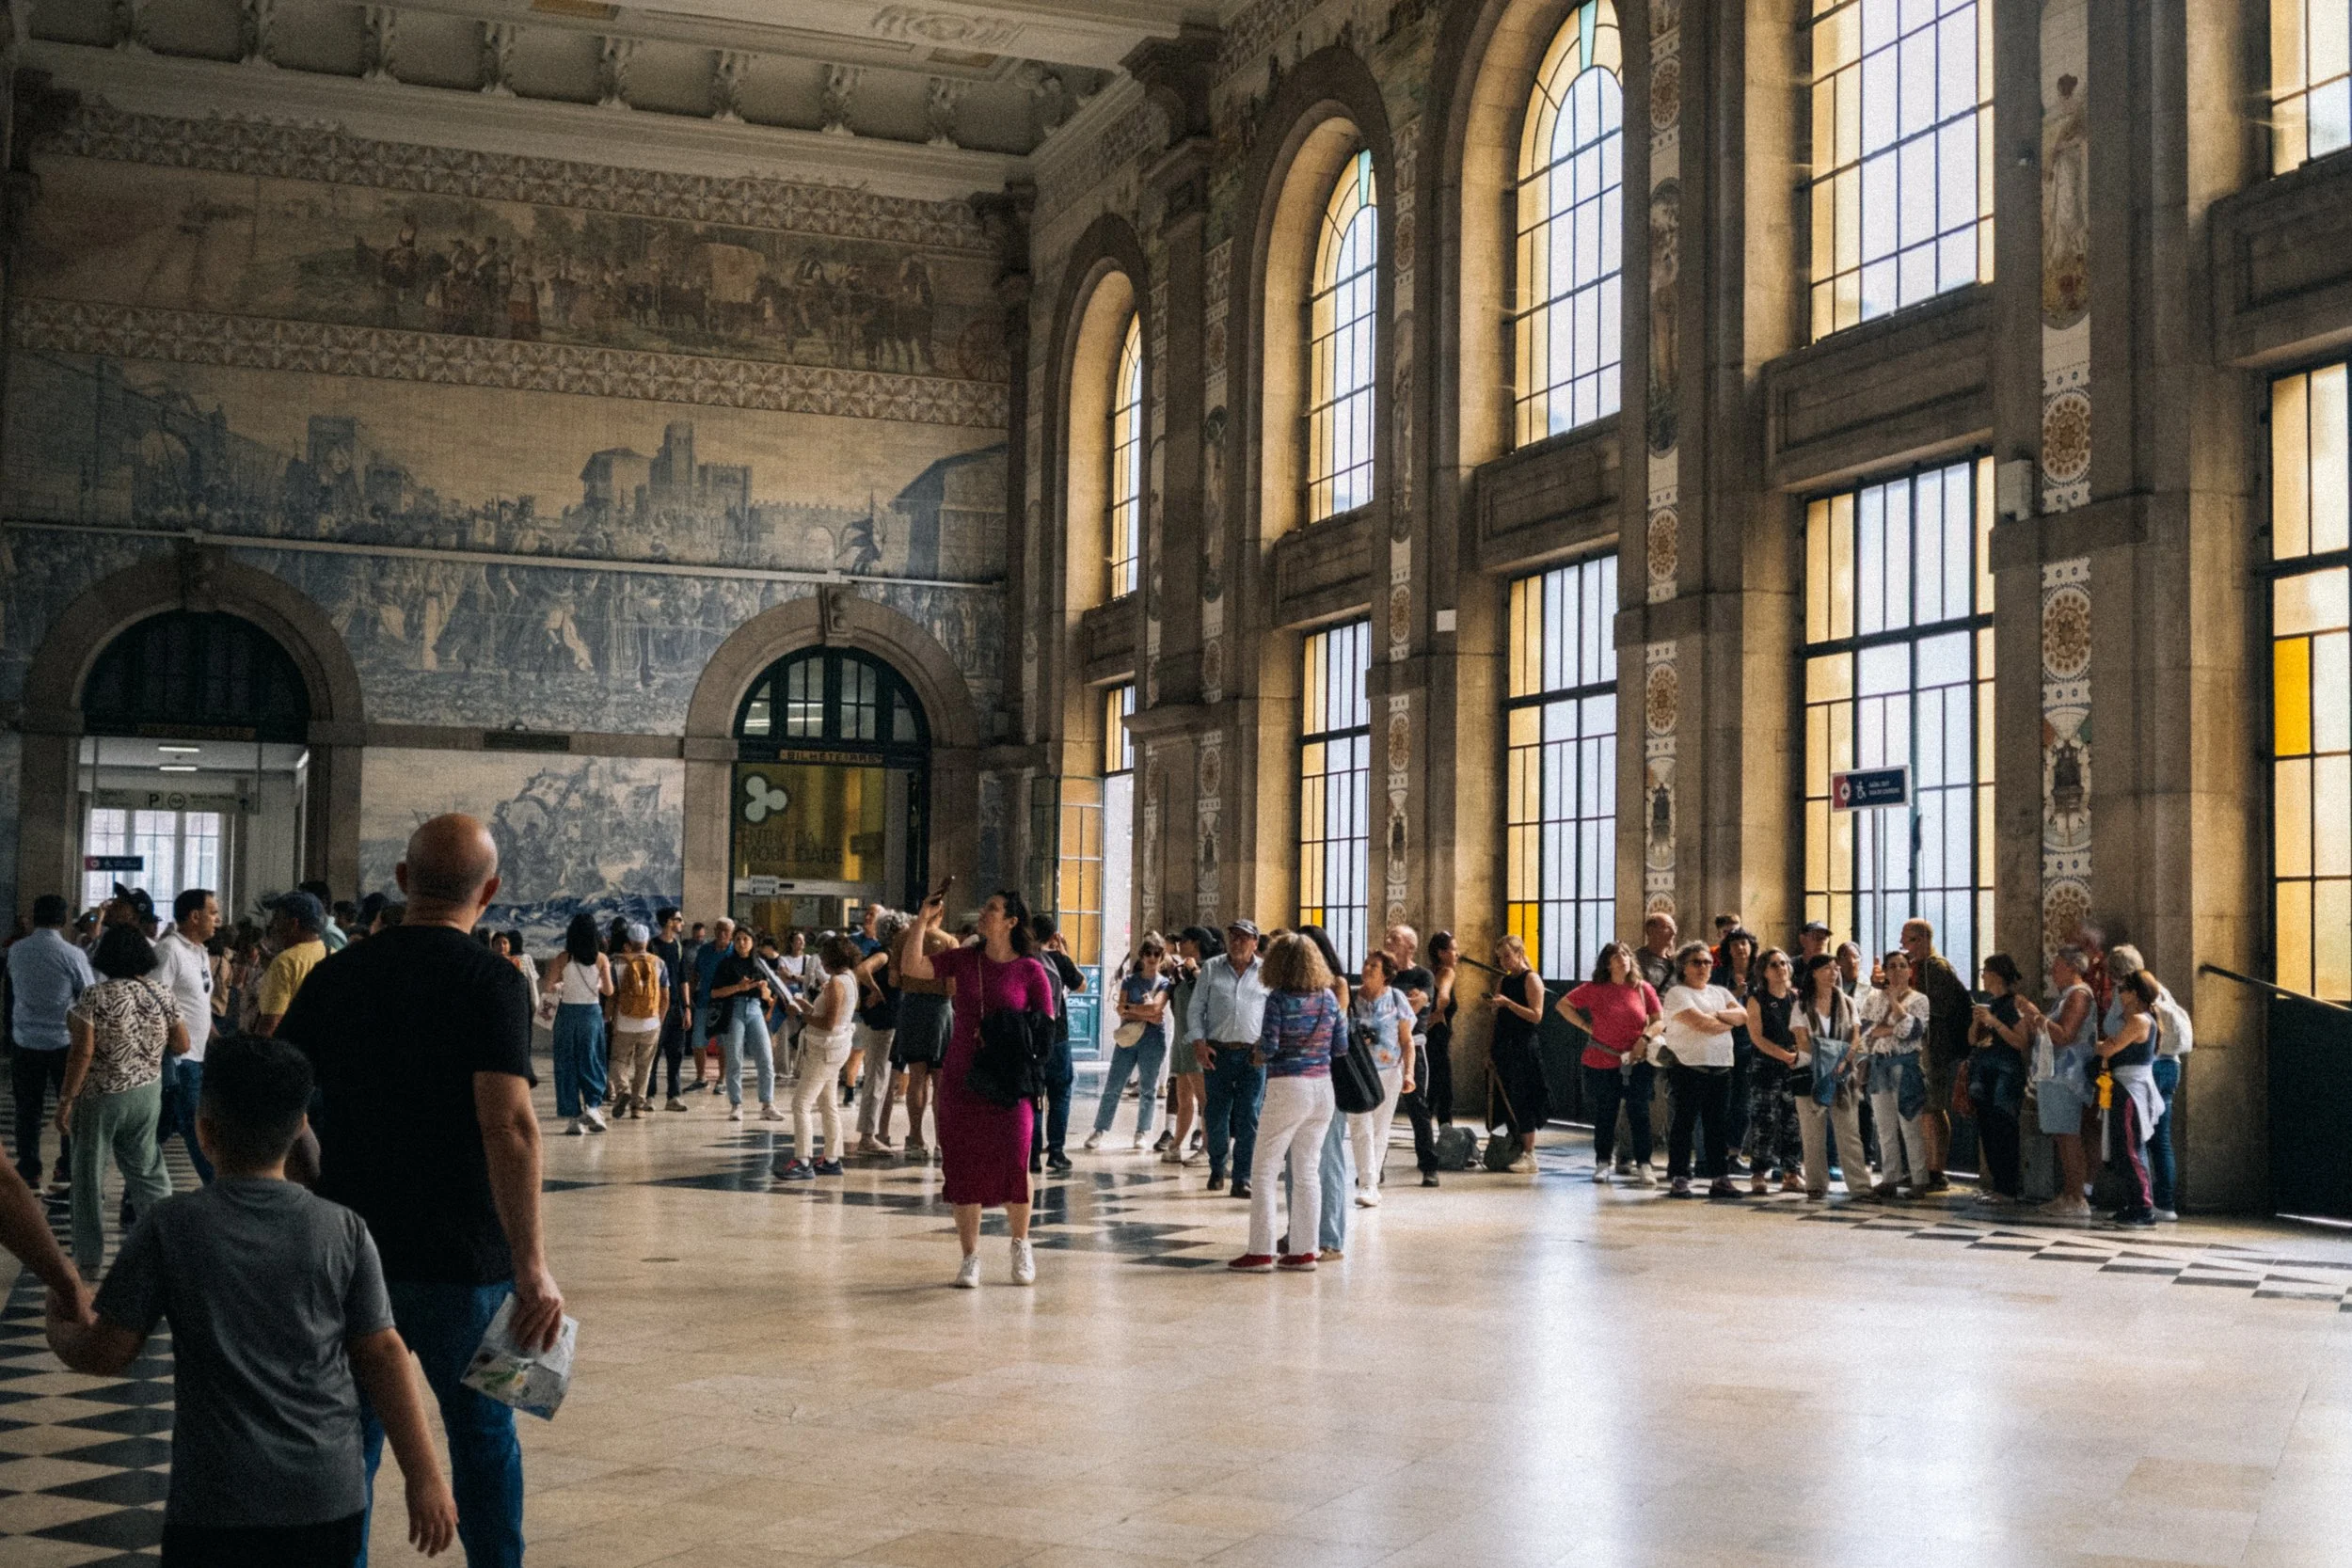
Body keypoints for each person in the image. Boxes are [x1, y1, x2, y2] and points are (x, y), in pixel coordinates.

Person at [46, 1034, 457, 1566]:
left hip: (216, 1501)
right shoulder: (344, 1229)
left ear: (204, 1130)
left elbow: (109, 1350)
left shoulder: (170, 1227)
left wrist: (61, 1328)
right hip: (327, 1494)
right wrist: (424, 1478)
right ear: (299, 1127)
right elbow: (382, 1354)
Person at [277, 812, 563, 1568]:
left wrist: (316, 1184)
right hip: (472, 1262)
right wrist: (532, 1264)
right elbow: (509, 1127)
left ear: (402, 881)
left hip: (352, 1254)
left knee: (356, 1435)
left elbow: (280, 1107)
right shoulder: (492, 979)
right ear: (491, 892)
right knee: (485, 1434)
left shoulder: (336, 974)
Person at [900, 890, 1057, 1288]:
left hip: (1010, 1079)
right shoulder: (965, 959)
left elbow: (1046, 1031)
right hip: (963, 1075)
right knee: (963, 1164)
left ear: (1011, 922)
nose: (983, 912)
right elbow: (913, 967)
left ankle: (1021, 1244)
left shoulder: (1030, 971)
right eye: (984, 906)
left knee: (1016, 1158)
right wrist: (922, 922)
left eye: (992, 908)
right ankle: (970, 1256)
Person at [58, 924, 184, 1275]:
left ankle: (89, 1258)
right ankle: (165, 1248)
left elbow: (82, 1053)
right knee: (148, 1173)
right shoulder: (161, 994)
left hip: (101, 1096)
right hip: (147, 1093)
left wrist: (66, 1100)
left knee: (87, 1176)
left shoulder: (94, 996)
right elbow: (182, 1044)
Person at [1230, 934, 1343, 1274]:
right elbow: (1341, 1046)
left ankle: (1260, 1251)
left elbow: (1270, 1045)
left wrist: (1256, 1056)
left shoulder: (1278, 1000)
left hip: (1287, 1086)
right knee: (1308, 1170)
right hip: (1323, 1088)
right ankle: (1304, 1251)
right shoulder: (1329, 999)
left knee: (1263, 1169)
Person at [9, 893, 95, 1195]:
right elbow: (89, 994)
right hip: (64, 1041)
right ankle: (65, 1167)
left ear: (34, 917)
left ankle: (29, 1169)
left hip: (25, 1039)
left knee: (27, 1108)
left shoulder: (17, 951)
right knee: (67, 1104)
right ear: (63, 920)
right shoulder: (72, 955)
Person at [1558, 941, 1660, 1186]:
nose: (1622, 959)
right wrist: (1585, 1026)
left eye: (1625, 954)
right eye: (1616, 956)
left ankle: (1644, 1163)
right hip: (1603, 1058)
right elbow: (1563, 1005)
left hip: (1636, 1059)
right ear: (1607, 963)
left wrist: (1644, 1038)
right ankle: (1603, 1162)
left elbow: (1658, 1019)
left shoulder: (1642, 989)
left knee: (1639, 1111)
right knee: (1606, 1111)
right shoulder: (1595, 989)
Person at [1191, 920, 1270, 1197]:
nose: (1237, 943)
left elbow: (1272, 1012)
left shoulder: (1265, 973)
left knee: (1250, 1114)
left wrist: (1266, 1045)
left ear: (1254, 943)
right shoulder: (1212, 968)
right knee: (1216, 1113)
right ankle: (1217, 1165)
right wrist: (1199, 1042)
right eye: (1233, 937)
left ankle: (1242, 1176)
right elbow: (1196, 1008)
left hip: (1253, 1055)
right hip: (1218, 1051)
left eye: (1244, 938)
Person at [1659, 942, 1744, 1198]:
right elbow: (1700, 1023)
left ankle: (1719, 1178)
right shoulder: (1677, 993)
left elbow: (1742, 1016)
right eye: (1696, 962)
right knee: (1684, 1123)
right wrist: (1724, 1022)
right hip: (1688, 1067)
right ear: (1683, 967)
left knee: (1717, 1125)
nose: (1703, 967)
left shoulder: (1719, 992)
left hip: (1721, 1067)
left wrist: (1718, 1017)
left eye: (1707, 962)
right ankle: (1680, 1177)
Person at [2106, 944, 2185, 1219]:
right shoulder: (2158, 988)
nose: (2117, 990)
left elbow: (2112, 1034)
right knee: (2160, 1140)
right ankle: (2165, 1204)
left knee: (2134, 1141)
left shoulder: (2132, 1000)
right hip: (2170, 1065)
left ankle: (2142, 1203)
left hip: (2142, 1069)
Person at [154, 888, 221, 1184]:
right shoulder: (170, 950)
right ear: (195, 916)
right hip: (179, 1058)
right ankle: (217, 1185)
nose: (217, 919)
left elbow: (197, 1003)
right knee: (195, 1125)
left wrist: (213, 1036)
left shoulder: (200, 951)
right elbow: (155, 1001)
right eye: (213, 912)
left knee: (165, 1126)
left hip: (198, 1054)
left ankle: (135, 1194)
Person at [779, 936, 859, 1180]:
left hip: (825, 1049)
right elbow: (831, 1016)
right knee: (827, 1103)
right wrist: (807, 1007)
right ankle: (832, 1158)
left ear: (833, 959)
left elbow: (827, 1022)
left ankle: (803, 1160)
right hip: (836, 1047)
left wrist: (800, 1014)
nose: (820, 961)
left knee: (801, 1104)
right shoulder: (850, 979)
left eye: (824, 957)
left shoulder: (836, 983)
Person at [1901, 918, 1970, 1195]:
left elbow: (1940, 1009)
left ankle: (1936, 1168)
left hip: (1934, 1048)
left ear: (1921, 940)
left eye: (1907, 940)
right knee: (1923, 1110)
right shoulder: (1917, 968)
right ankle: (1924, 1167)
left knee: (1933, 1109)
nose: (1904, 947)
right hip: (1918, 1047)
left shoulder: (1937, 969)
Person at [1796, 953, 1872, 1200]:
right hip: (1812, 1072)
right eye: (1827, 968)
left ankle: (1860, 1187)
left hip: (1843, 1074)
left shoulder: (1847, 1002)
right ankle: (1816, 1184)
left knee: (1849, 1131)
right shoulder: (1801, 1004)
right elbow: (1802, 1040)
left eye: (1835, 969)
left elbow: (1856, 1034)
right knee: (1812, 1133)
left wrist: (1844, 1058)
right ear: (1815, 973)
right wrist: (1829, 1059)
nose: (1833, 973)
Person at [1860, 948, 1932, 1199]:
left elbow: (1912, 1032)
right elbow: (1867, 1030)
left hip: (1905, 1066)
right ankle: (1890, 1177)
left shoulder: (1920, 1000)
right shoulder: (1872, 998)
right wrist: (1891, 1026)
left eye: (1903, 965)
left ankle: (1920, 1178)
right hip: (1880, 1064)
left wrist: (1893, 1003)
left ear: (1910, 970)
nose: (1898, 970)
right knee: (1884, 1125)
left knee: (1910, 1122)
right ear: (1886, 972)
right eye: (1892, 966)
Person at [1089, 933, 1172, 1150]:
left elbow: (1156, 1008)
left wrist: (1133, 1010)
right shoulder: (1129, 980)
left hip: (1153, 1040)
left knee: (1148, 1087)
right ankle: (1099, 1129)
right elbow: (1121, 1010)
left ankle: (1142, 1131)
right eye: (1148, 954)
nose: (1152, 958)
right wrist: (1146, 1014)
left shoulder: (1165, 983)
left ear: (1162, 956)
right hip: (1128, 1037)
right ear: (1141, 956)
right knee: (1114, 1085)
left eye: (1156, 954)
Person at [1346, 950, 1415, 1204]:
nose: (1367, 969)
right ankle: (1366, 1184)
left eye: (1374, 966)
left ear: (1386, 974)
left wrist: (1409, 1072)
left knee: (1379, 1129)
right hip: (1358, 1072)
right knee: (1359, 1127)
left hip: (1388, 1072)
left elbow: (1407, 1042)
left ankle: (1371, 1183)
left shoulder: (1397, 999)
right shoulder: (1351, 998)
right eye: (1366, 964)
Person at [1961, 954, 2031, 1202]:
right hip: (1984, 1073)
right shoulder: (1989, 1002)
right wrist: (1976, 1022)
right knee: (1987, 1129)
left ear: (1996, 974)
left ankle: (2007, 1187)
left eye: (1985, 971)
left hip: (2006, 1075)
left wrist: (1995, 1022)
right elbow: (1972, 1040)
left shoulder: (2014, 1004)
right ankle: (1997, 1184)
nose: (1982, 975)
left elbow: (2021, 1041)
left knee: (2004, 1128)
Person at [2100, 971, 2167, 1227]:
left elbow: (2110, 1047)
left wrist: (2089, 1045)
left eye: (2123, 989)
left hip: (2131, 1089)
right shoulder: (2137, 1019)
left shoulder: (2139, 1020)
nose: (2119, 994)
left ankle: (2143, 1206)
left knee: (2130, 1148)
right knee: (2121, 1147)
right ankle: (2132, 1203)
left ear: (2135, 993)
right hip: (2123, 1085)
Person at [1741, 947, 1807, 1196]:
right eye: (1774, 965)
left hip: (1793, 1065)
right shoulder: (1756, 999)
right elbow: (1756, 1037)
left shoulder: (1797, 998)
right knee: (1764, 1119)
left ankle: (1792, 1171)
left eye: (1784, 963)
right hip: (1766, 1066)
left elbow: (1804, 1030)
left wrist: (1798, 1055)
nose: (1781, 968)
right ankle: (1759, 1172)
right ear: (1764, 972)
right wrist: (1784, 1055)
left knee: (1793, 1120)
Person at [541, 913, 613, 1134]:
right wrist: (598, 983)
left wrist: (563, 985)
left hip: (567, 1015)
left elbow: (548, 987)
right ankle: (592, 1107)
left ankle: (573, 1118)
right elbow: (610, 991)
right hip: (591, 1014)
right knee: (592, 1060)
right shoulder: (601, 959)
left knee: (566, 1064)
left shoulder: (563, 958)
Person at [892, 920, 958, 1161]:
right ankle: (942, 1143)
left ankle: (916, 1138)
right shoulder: (951, 942)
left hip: (911, 1008)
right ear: (941, 913)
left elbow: (893, 980)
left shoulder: (903, 938)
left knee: (917, 1077)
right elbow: (952, 987)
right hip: (940, 1010)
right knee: (941, 1081)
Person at [1486, 933, 1549, 1175]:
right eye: (1500, 958)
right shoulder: (1504, 981)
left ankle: (1529, 1152)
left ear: (1520, 954)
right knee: (1508, 1097)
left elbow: (1536, 1015)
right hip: (1504, 1045)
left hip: (1524, 1045)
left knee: (1524, 1097)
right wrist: (1489, 1049)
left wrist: (1509, 1004)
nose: (1504, 962)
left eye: (1507, 956)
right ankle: (1514, 1145)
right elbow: (1496, 1020)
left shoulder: (1531, 979)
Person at [1029, 912, 1085, 1174]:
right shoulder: (1059, 960)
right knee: (1060, 1092)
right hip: (1058, 1034)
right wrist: (1064, 954)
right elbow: (1081, 985)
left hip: (1030, 1035)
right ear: (1053, 936)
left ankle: (1032, 1155)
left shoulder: (1024, 959)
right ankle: (1057, 1151)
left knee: (1034, 1094)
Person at [707, 927, 780, 1125]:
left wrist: (765, 991)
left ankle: (767, 1104)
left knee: (765, 1057)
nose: (741, 943)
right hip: (734, 1009)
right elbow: (715, 993)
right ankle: (736, 1104)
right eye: (738, 939)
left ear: (752, 942)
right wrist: (739, 987)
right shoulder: (727, 964)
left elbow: (770, 998)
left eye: (746, 939)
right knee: (734, 1058)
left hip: (755, 1009)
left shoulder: (760, 965)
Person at [850, 910, 908, 1155]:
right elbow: (861, 970)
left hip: (885, 1021)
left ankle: (871, 1133)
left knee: (880, 1077)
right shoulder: (884, 955)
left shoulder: (890, 955)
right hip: (882, 1022)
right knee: (877, 1077)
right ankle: (868, 1136)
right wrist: (877, 991)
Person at [1159, 929, 1212, 1164]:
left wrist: (1193, 969)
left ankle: (1208, 1147)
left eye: (1184, 941)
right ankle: (1176, 1144)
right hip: (1180, 1039)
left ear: (1196, 944)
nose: (1180, 945)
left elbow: (1211, 991)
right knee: (1183, 1096)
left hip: (1196, 1038)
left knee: (1204, 1098)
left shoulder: (1208, 968)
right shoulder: (1179, 971)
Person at [606, 924, 668, 1119]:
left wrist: (608, 1019)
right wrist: (659, 1019)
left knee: (617, 1061)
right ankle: (637, 1107)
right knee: (644, 1066)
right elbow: (666, 996)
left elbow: (612, 997)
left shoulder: (617, 964)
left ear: (629, 943)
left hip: (625, 1022)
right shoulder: (658, 963)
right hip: (651, 1023)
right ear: (647, 941)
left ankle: (623, 1090)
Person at [252, 892, 330, 1037]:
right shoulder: (334, 954)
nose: (272, 925)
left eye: (277, 918)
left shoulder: (286, 962)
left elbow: (271, 1023)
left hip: (293, 1051)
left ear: (293, 924)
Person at [1711, 927, 1759, 1161]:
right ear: (1727, 950)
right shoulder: (1718, 975)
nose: (1740, 948)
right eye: (1735, 944)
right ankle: (1716, 1150)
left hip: (1751, 1044)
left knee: (1744, 1101)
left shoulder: (1760, 973)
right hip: (1722, 1041)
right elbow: (1709, 1002)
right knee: (1722, 1099)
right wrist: (1734, 993)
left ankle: (1734, 1152)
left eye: (1744, 943)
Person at [648, 908, 692, 1112]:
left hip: (676, 1007)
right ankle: (648, 1096)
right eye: (678, 919)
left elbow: (683, 979)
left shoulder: (678, 946)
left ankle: (673, 1096)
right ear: (668, 922)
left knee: (676, 1053)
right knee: (653, 1053)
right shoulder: (652, 946)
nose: (682, 923)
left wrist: (687, 1007)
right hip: (656, 1007)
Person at [691, 916, 736, 1092]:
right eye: (718, 929)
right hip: (704, 1001)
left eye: (726, 930)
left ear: (731, 934)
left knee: (723, 1042)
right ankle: (701, 1077)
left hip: (726, 1005)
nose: (721, 933)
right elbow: (696, 973)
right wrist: (690, 998)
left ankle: (722, 1079)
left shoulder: (734, 952)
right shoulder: (705, 950)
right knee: (698, 1040)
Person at [1422, 929, 1462, 1125]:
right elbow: (1444, 995)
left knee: (1433, 1090)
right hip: (1437, 1041)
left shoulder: (1431, 973)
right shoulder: (1447, 972)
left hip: (1434, 1039)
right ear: (1441, 953)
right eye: (1453, 950)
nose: (1457, 954)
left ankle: (1428, 1135)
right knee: (1443, 1092)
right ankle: (1446, 1137)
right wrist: (1439, 1011)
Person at [1634, 912, 1679, 991]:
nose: (1673, 933)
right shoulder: (1635, 960)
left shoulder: (1675, 963)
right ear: (1651, 930)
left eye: (1674, 928)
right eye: (1667, 927)